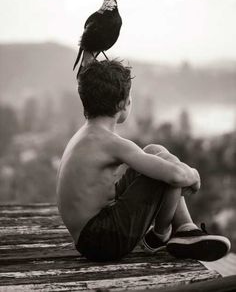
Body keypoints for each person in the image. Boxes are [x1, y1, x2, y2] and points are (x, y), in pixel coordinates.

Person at [56, 60, 231, 262]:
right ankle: (160, 234)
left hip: (91, 235)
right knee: (167, 167)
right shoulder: (110, 142)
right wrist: (193, 175)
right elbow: (176, 176)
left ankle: (184, 228)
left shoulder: (87, 135)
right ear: (124, 104)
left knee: (155, 151)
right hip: (102, 241)